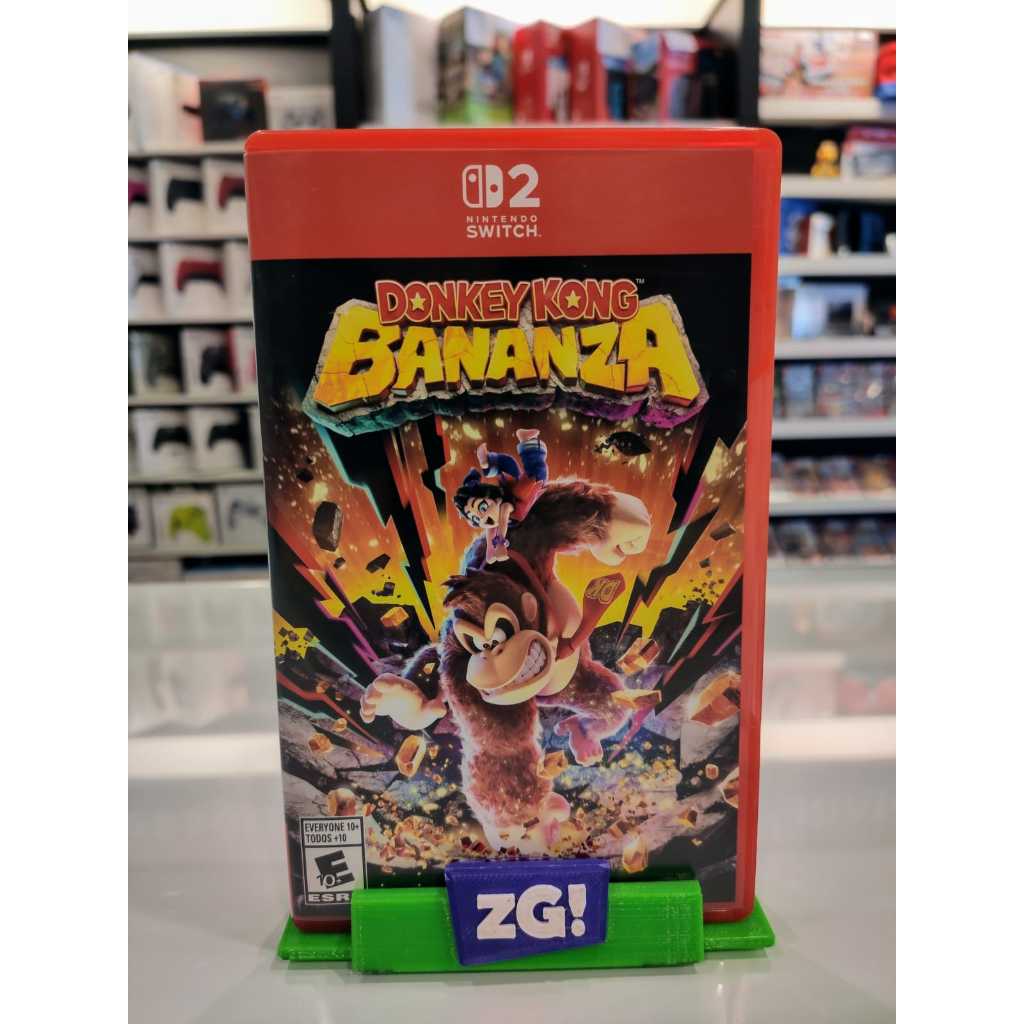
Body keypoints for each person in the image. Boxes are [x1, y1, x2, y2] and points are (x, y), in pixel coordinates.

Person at [453, 428, 548, 563]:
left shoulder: (505, 506)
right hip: (518, 491)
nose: (482, 518)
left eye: (482, 508)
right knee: (510, 465)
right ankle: (490, 463)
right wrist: (490, 554)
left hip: (526, 491)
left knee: (539, 472)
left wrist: (501, 545)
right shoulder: (490, 522)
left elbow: (503, 523)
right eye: (475, 518)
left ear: (493, 498)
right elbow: (490, 534)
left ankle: (524, 441)